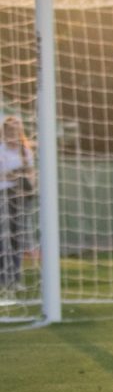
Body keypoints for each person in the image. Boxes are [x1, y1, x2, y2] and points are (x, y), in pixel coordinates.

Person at [0, 116, 35, 291]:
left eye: (16, 129)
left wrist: (26, 180)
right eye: (9, 130)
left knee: (16, 238)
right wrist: (13, 175)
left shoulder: (25, 151)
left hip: (19, 197)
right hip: (3, 194)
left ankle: (14, 278)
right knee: (2, 237)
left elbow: (30, 174)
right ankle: (2, 277)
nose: (12, 133)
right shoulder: (1, 150)